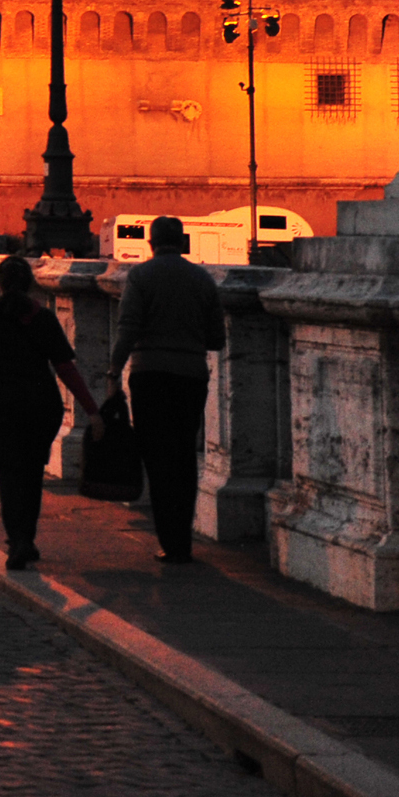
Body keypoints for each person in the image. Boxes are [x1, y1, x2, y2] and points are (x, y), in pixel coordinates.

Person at [0, 255, 103, 570]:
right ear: (30, 284)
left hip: (0, 405)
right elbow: (65, 369)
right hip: (39, 406)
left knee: (8, 474)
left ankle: (16, 539)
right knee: (32, 473)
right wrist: (92, 410)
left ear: (0, 283)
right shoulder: (43, 318)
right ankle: (27, 538)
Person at [108, 214, 227, 565]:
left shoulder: (141, 276)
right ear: (184, 242)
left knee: (157, 458)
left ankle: (169, 541)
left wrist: (114, 370)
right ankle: (184, 541)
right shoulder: (202, 279)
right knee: (184, 457)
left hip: (150, 376)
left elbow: (128, 327)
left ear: (151, 243)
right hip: (190, 375)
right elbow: (216, 339)